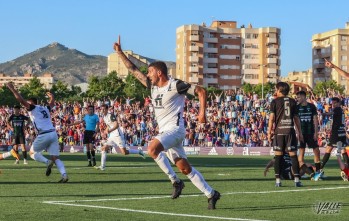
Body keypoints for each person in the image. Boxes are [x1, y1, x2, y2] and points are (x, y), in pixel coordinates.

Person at [114, 37, 220, 210]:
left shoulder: (175, 85)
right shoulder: (152, 86)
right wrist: (119, 52)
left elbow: (201, 91)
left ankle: (175, 182)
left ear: (159, 73)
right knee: (185, 169)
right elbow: (133, 70)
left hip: (175, 130)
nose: (147, 75)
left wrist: (202, 113)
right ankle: (211, 193)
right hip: (167, 133)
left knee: (152, 149)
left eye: (149, 72)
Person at [6, 82, 68, 182]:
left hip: (44, 134)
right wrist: (52, 96)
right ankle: (64, 175)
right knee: (55, 157)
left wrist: (12, 89)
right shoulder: (45, 108)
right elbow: (51, 103)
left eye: (28, 103)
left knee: (32, 153)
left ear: (31, 103)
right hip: (53, 133)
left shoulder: (32, 107)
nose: (26, 105)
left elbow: (20, 100)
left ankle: (47, 162)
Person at [267, 82, 303, 187]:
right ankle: (297, 180)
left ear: (279, 90)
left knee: (278, 156)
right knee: (293, 156)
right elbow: (296, 119)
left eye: (276, 89)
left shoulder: (274, 101)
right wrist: (299, 132)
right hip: (290, 132)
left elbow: (271, 118)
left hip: (279, 132)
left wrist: (269, 132)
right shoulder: (292, 101)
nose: (275, 91)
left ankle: (278, 181)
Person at [95, 104, 145, 171]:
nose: (102, 110)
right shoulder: (104, 117)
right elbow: (109, 125)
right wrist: (105, 131)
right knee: (104, 148)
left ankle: (139, 151)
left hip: (118, 135)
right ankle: (102, 166)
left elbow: (116, 125)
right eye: (101, 109)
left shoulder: (111, 115)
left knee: (124, 152)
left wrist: (109, 131)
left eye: (104, 109)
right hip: (112, 136)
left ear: (107, 109)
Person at [295, 91, 322, 180]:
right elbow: (296, 121)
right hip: (302, 134)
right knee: (301, 155)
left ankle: (318, 172)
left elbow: (315, 120)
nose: (298, 99)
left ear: (303, 96)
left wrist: (316, 132)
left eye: (299, 97)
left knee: (316, 151)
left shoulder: (311, 106)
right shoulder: (297, 107)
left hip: (311, 133)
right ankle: (309, 173)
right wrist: (298, 133)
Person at [319, 97, 348, 174]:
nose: (333, 105)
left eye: (335, 103)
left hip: (336, 133)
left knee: (328, 149)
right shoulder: (341, 110)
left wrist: (322, 113)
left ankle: (319, 169)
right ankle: (346, 170)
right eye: (332, 103)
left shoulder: (337, 109)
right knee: (343, 150)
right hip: (342, 132)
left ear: (338, 103)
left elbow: (330, 113)